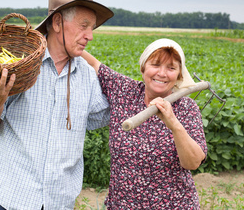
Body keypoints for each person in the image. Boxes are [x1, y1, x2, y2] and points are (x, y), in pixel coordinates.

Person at [0, 0, 114, 210]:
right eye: (84, 26)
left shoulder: (86, 76)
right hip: (9, 196)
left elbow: (107, 114)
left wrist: (153, 91)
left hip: (58, 200)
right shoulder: (17, 65)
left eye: (92, 28)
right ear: (57, 23)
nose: (90, 36)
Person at [82, 38, 207, 209]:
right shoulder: (125, 91)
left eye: (171, 68)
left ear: (178, 75)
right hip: (122, 205)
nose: (162, 73)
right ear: (143, 68)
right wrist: (54, 36)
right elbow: (93, 64)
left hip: (174, 205)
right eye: (155, 65)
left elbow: (192, 163)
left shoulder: (186, 108)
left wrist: (174, 125)